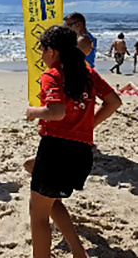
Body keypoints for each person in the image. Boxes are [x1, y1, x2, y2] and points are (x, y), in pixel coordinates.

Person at [24, 25, 121, 258]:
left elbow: (56, 112)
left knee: (38, 216)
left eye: (42, 50)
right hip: (81, 154)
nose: (41, 55)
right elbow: (114, 102)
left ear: (53, 52)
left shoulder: (52, 75)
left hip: (57, 150)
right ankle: (78, 252)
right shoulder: (87, 72)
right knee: (33, 170)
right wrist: (89, 126)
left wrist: (33, 112)